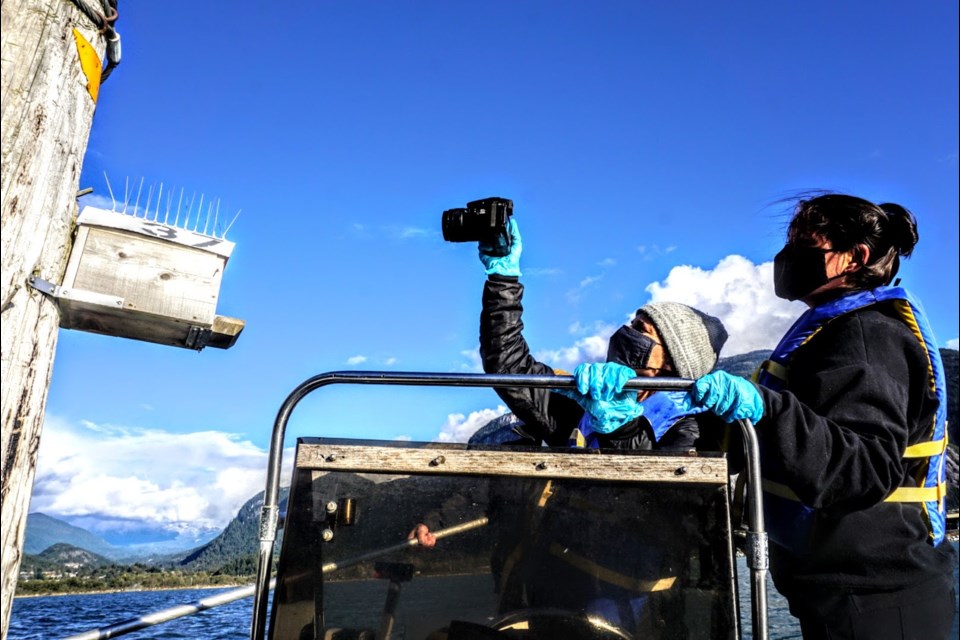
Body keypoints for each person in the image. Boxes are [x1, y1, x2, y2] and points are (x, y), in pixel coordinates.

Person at [412, 218, 731, 636]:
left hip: (632, 616)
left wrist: (616, 423)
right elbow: (509, 365)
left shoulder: (690, 430)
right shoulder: (581, 404)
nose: (627, 332)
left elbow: (651, 501)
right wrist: (503, 276)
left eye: (641, 329)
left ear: (669, 362)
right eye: (632, 323)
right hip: (549, 596)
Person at [682, 193, 955, 639]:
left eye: (805, 245)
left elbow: (864, 469)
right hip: (846, 591)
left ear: (855, 258)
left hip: (877, 600)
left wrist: (764, 407)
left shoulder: (866, 336)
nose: (788, 258)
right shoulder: (833, 334)